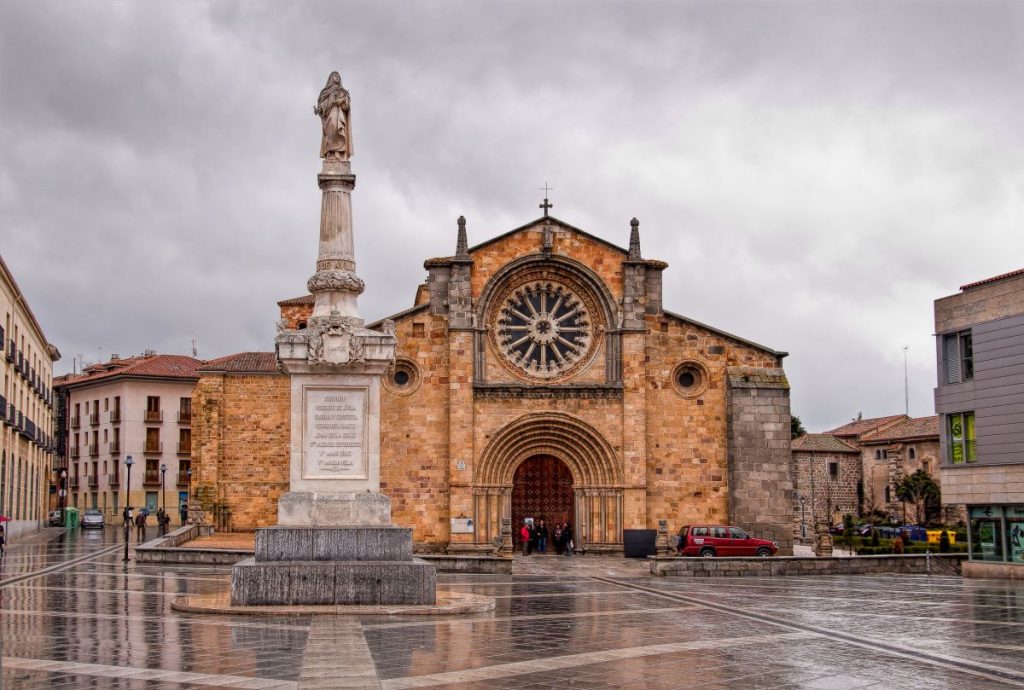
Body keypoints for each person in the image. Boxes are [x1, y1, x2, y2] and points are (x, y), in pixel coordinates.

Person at [314, 71, 353, 160]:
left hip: (339, 113)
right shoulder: (326, 92)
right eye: (335, 76)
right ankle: (330, 154)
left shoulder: (343, 91)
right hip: (330, 113)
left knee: (339, 130)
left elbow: (346, 107)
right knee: (332, 129)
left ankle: (339, 154)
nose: (337, 78)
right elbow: (322, 103)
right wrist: (320, 108)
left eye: (338, 77)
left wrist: (343, 100)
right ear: (331, 78)